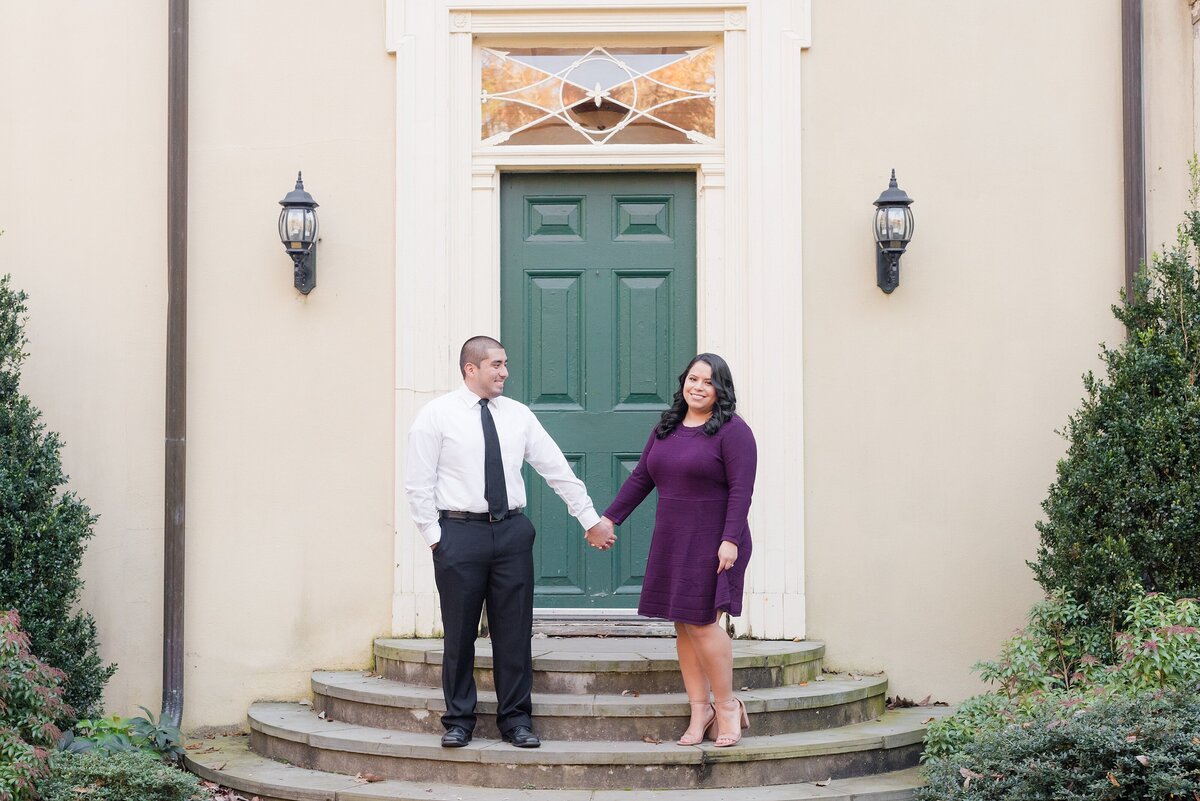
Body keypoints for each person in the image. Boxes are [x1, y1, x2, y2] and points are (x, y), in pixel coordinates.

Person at [405, 336, 615, 750]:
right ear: (471, 368)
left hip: (512, 533)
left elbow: (555, 468)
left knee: (514, 633)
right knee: (459, 634)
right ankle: (459, 721)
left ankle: (516, 721)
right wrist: (436, 540)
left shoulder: (518, 415)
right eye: (496, 365)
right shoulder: (436, 416)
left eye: (505, 364)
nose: (504, 372)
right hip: (459, 535)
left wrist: (589, 519)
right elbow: (417, 485)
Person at [598, 353, 757, 748]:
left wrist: (731, 539)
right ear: (683, 382)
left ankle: (727, 707)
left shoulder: (733, 431)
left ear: (720, 389)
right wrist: (609, 519)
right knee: (684, 625)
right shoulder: (666, 428)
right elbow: (641, 478)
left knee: (703, 623)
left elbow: (742, 490)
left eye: (708, 381)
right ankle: (698, 708)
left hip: (715, 539)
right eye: (692, 379)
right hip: (672, 538)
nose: (698, 386)